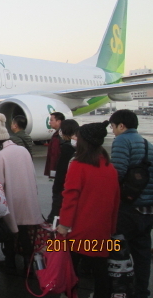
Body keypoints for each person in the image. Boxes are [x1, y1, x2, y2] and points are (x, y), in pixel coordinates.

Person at [57, 121, 120, 298]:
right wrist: (111, 228)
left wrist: (64, 224)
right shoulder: (110, 167)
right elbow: (115, 202)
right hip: (102, 230)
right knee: (101, 272)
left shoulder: (78, 165)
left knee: (71, 270)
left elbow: (70, 198)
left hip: (79, 229)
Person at [0, 114, 43, 272]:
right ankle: (28, 264)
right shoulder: (22, 151)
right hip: (28, 198)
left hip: (11, 200)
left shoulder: (0, 156)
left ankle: (10, 263)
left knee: (10, 234)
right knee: (26, 232)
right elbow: (33, 174)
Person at [109, 109, 153, 298]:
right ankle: (142, 291)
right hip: (147, 209)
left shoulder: (122, 140)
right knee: (142, 254)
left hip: (128, 208)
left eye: (113, 127)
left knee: (117, 249)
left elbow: (117, 173)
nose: (113, 132)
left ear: (121, 125)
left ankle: (119, 289)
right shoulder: (147, 144)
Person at [47, 119, 79, 224]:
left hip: (63, 186)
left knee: (58, 211)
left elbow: (61, 171)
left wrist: (56, 187)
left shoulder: (67, 148)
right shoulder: (80, 147)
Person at [44, 112, 65, 177]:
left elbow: (56, 154)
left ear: (58, 121)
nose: (49, 122)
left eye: (51, 120)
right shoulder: (57, 134)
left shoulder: (62, 135)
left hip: (60, 169)